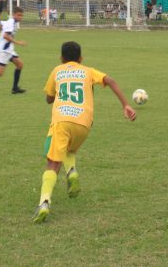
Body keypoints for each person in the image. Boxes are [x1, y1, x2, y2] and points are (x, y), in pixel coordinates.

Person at [32, 41, 136, 223]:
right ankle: (71, 170)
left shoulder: (57, 70)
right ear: (80, 58)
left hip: (62, 121)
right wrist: (125, 105)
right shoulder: (88, 71)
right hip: (84, 124)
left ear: (61, 58)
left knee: (52, 163)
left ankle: (44, 203)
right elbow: (110, 80)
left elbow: (49, 98)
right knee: (69, 150)